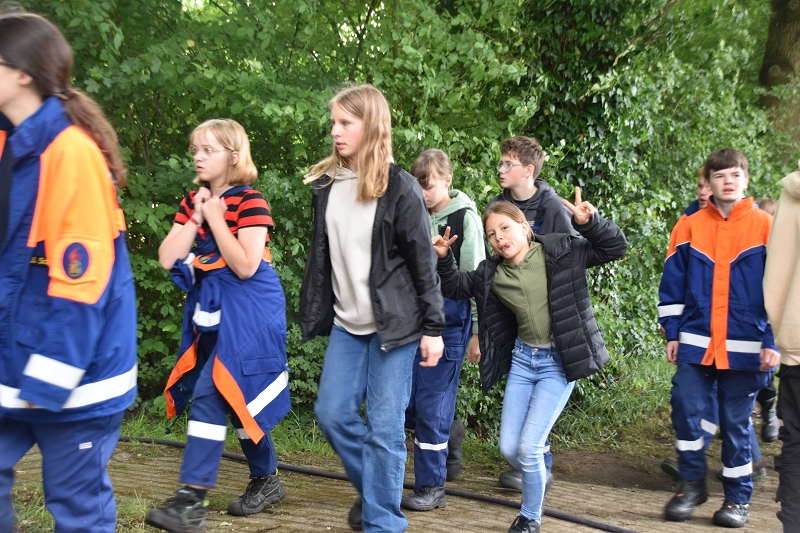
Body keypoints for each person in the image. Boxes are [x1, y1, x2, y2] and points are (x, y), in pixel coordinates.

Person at [0, 13, 137, 533]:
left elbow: (84, 283)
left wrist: (52, 372)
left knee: (76, 507)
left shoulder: (70, 152)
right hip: (14, 363)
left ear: (22, 73)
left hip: (74, 375)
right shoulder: (12, 143)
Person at [433, 190, 627, 533]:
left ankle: (530, 518)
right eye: (492, 234)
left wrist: (590, 223)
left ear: (524, 227)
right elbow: (456, 287)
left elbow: (614, 248)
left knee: (528, 447)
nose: (499, 238)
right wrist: (444, 258)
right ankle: (538, 458)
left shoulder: (561, 250)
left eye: (505, 228)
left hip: (559, 363)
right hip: (524, 361)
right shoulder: (492, 273)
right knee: (511, 448)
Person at [299, 84, 445, 533]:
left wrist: (434, 328)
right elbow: (324, 256)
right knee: (331, 413)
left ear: (372, 126)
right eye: (334, 122)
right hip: (348, 324)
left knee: (384, 428)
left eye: (346, 122)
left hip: (395, 327)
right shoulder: (327, 186)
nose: (335, 130)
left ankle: (383, 523)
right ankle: (378, 492)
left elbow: (424, 263)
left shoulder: (400, 188)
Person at [145, 119, 291, 533]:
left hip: (252, 311)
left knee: (212, 392)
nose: (198, 156)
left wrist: (217, 218)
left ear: (233, 155)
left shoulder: (252, 201)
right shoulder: (192, 200)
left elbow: (246, 265)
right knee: (233, 394)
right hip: (210, 309)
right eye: (195, 149)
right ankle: (266, 478)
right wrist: (197, 217)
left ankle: (191, 501)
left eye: (207, 149)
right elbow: (168, 257)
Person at [658, 148, 780, 528]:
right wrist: (672, 332)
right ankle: (691, 485)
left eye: (735, 175)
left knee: (735, 423)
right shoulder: (689, 226)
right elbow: (672, 283)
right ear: (708, 183)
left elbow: (782, 289)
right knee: (684, 405)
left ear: (746, 180)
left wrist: (772, 340)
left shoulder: (767, 227)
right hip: (696, 341)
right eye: (720, 175)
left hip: (747, 346)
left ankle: (737, 500)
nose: (728, 181)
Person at [488, 136, 577, 492]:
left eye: (507, 164)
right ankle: (533, 462)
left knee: (536, 420)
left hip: (552, 327)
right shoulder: (499, 206)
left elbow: (571, 258)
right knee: (514, 437)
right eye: (500, 163)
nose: (500, 169)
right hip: (516, 320)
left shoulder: (552, 207)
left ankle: (541, 468)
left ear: (528, 171)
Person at [400, 149, 486, 511]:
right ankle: (451, 434)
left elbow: (477, 280)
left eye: (429, 186)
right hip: (411, 322)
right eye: (417, 186)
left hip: (451, 324)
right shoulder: (414, 213)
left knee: (431, 405)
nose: (422, 193)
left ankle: (432, 487)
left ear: (447, 181)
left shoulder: (465, 219)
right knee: (407, 404)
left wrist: (477, 332)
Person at [764, 170, 800, 533]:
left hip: (795, 340)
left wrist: (783, 332)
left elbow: (775, 273)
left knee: (797, 446)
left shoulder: (792, 189)